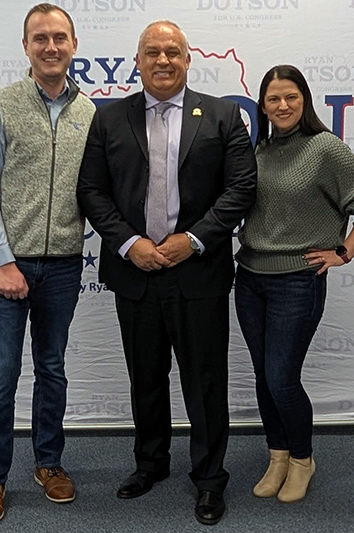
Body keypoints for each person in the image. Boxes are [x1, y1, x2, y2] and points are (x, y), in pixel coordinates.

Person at [77, 20, 257, 525]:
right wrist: (130, 243)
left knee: (205, 381)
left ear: (187, 59)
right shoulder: (109, 119)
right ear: (137, 61)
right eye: (152, 52)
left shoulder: (223, 115)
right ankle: (150, 464)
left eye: (172, 51)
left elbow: (241, 188)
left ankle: (209, 479)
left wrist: (192, 239)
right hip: (135, 272)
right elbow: (92, 190)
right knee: (146, 377)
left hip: (197, 272)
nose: (162, 60)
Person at [0, 3, 95, 525]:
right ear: (25, 46)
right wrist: (4, 262)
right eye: (40, 38)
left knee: (53, 370)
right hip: (6, 266)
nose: (51, 46)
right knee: (2, 375)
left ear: (73, 45)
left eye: (59, 37)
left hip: (63, 267)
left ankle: (48, 463)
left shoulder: (90, 113)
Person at [235, 64, 354, 504]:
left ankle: (303, 459)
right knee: (263, 376)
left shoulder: (327, 148)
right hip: (250, 278)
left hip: (297, 282)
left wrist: (343, 252)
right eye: (273, 99)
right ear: (263, 106)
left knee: (282, 378)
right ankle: (278, 455)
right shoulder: (260, 150)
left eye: (291, 97)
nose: (282, 105)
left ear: (304, 100)